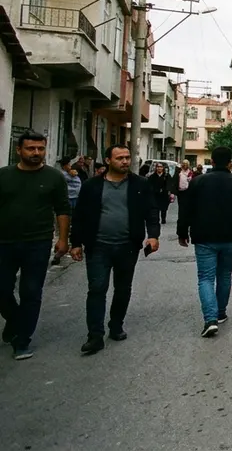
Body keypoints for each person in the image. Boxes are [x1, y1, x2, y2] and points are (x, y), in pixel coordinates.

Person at [69, 144, 161, 355]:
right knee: (97, 289)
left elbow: (151, 211)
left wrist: (153, 235)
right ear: (108, 160)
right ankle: (95, 336)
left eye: (127, 157)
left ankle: (116, 325)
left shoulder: (140, 184)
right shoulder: (92, 186)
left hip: (127, 246)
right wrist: (75, 243)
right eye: (119, 158)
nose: (125, 162)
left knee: (122, 288)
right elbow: (80, 216)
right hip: (98, 246)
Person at [0, 132, 71, 360]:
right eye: (31, 148)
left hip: (38, 243)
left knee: (31, 292)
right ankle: (14, 320)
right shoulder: (4, 176)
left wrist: (63, 239)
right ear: (18, 150)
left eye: (40, 148)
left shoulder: (54, 177)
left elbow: (62, 209)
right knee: (1, 289)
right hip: (4, 242)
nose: (36, 153)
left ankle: (22, 340)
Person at [178, 146, 232, 338]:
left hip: (204, 237)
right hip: (230, 237)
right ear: (230, 163)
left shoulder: (197, 182)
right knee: (225, 275)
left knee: (205, 277)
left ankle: (210, 319)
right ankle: (220, 312)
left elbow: (186, 209)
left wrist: (182, 232)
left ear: (211, 162)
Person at [55, 158, 83, 266]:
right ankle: (58, 251)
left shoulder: (72, 174)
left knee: (69, 224)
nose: (70, 167)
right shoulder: (61, 175)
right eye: (68, 165)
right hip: (65, 202)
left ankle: (60, 249)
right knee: (63, 225)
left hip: (74, 200)